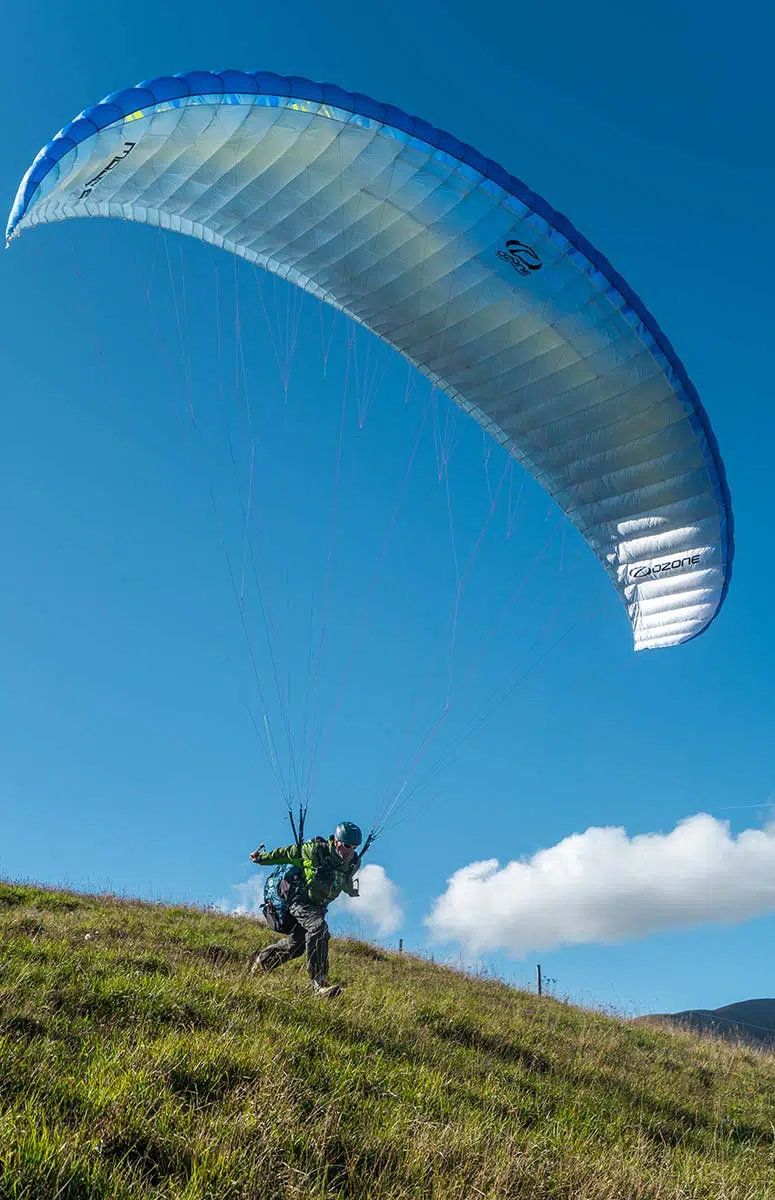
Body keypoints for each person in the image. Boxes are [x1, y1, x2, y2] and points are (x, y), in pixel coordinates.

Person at [248, 821, 363, 998]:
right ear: (336, 841)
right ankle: (319, 984)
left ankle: (261, 962)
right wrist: (262, 859)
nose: (350, 851)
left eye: (354, 847)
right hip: (298, 900)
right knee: (319, 928)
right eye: (347, 845)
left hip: (317, 907)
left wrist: (351, 891)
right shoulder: (316, 850)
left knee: (297, 946)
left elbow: (344, 879)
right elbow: (287, 853)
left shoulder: (353, 862)